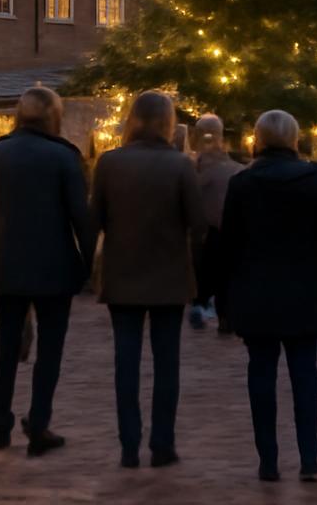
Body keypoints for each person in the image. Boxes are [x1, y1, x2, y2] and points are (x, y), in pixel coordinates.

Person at [217, 109, 317, 483]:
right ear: (295, 139)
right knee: (304, 372)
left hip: (256, 292)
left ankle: (268, 459)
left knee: (261, 373)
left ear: (259, 140)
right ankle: (309, 456)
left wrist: (221, 298)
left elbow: (227, 246)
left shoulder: (243, 184)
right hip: (305, 291)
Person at [0, 87, 94, 457]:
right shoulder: (64, 157)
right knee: (50, 350)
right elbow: (82, 219)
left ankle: (0, 423)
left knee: (6, 347)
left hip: (6, 268)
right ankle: (38, 423)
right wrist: (87, 263)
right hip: (53, 270)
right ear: (52, 117)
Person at [92, 91, 206, 469]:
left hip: (122, 272)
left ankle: (129, 444)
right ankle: (162, 443)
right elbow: (198, 224)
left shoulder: (109, 164)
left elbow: (95, 220)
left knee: (125, 362)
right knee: (166, 363)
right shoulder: (181, 166)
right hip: (168, 274)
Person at [190, 113, 243, 333]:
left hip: (207, 228)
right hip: (228, 228)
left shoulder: (198, 166)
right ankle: (223, 316)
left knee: (205, 270)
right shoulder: (234, 167)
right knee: (223, 274)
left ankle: (202, 306)